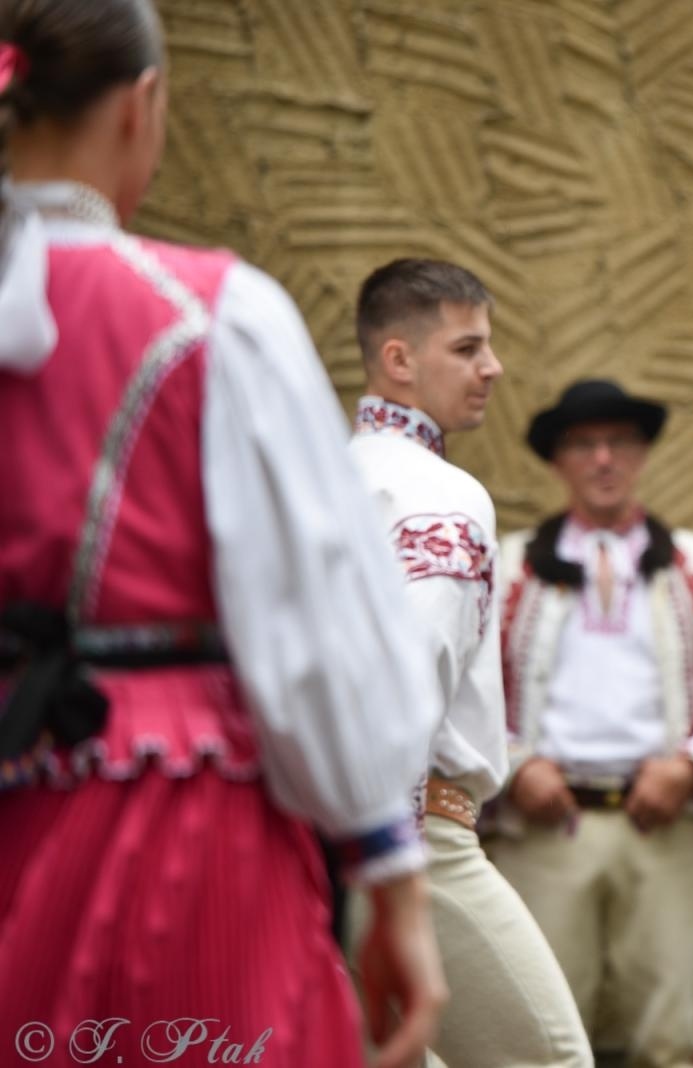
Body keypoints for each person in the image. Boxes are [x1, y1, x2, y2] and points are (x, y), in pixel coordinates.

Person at [0, 4, 444, 1065]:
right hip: (176, 828)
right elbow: (318, 626)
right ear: (142, 103)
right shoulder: (211, 316)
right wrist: (394, 878)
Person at [490, 378, 693, 1068]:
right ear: (557, 460)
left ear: (641, 454)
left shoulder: (690, 564)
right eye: (583, 444)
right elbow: (460, 696)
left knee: (669, 1035)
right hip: (545, 829)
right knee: (539, 1033)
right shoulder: (511, 568)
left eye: (619, 442)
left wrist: (689, 767)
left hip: (662, 827)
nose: (603, 459)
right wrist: (515, 764)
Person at [348, 259, 592, 1068]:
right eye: (468, 347)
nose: (493, 367)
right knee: (553, 1059)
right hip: (414, 838)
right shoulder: (441, 493)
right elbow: (406, 684)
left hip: (325, 840)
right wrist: (393, 867)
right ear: (398, 360)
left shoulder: (329, 479)